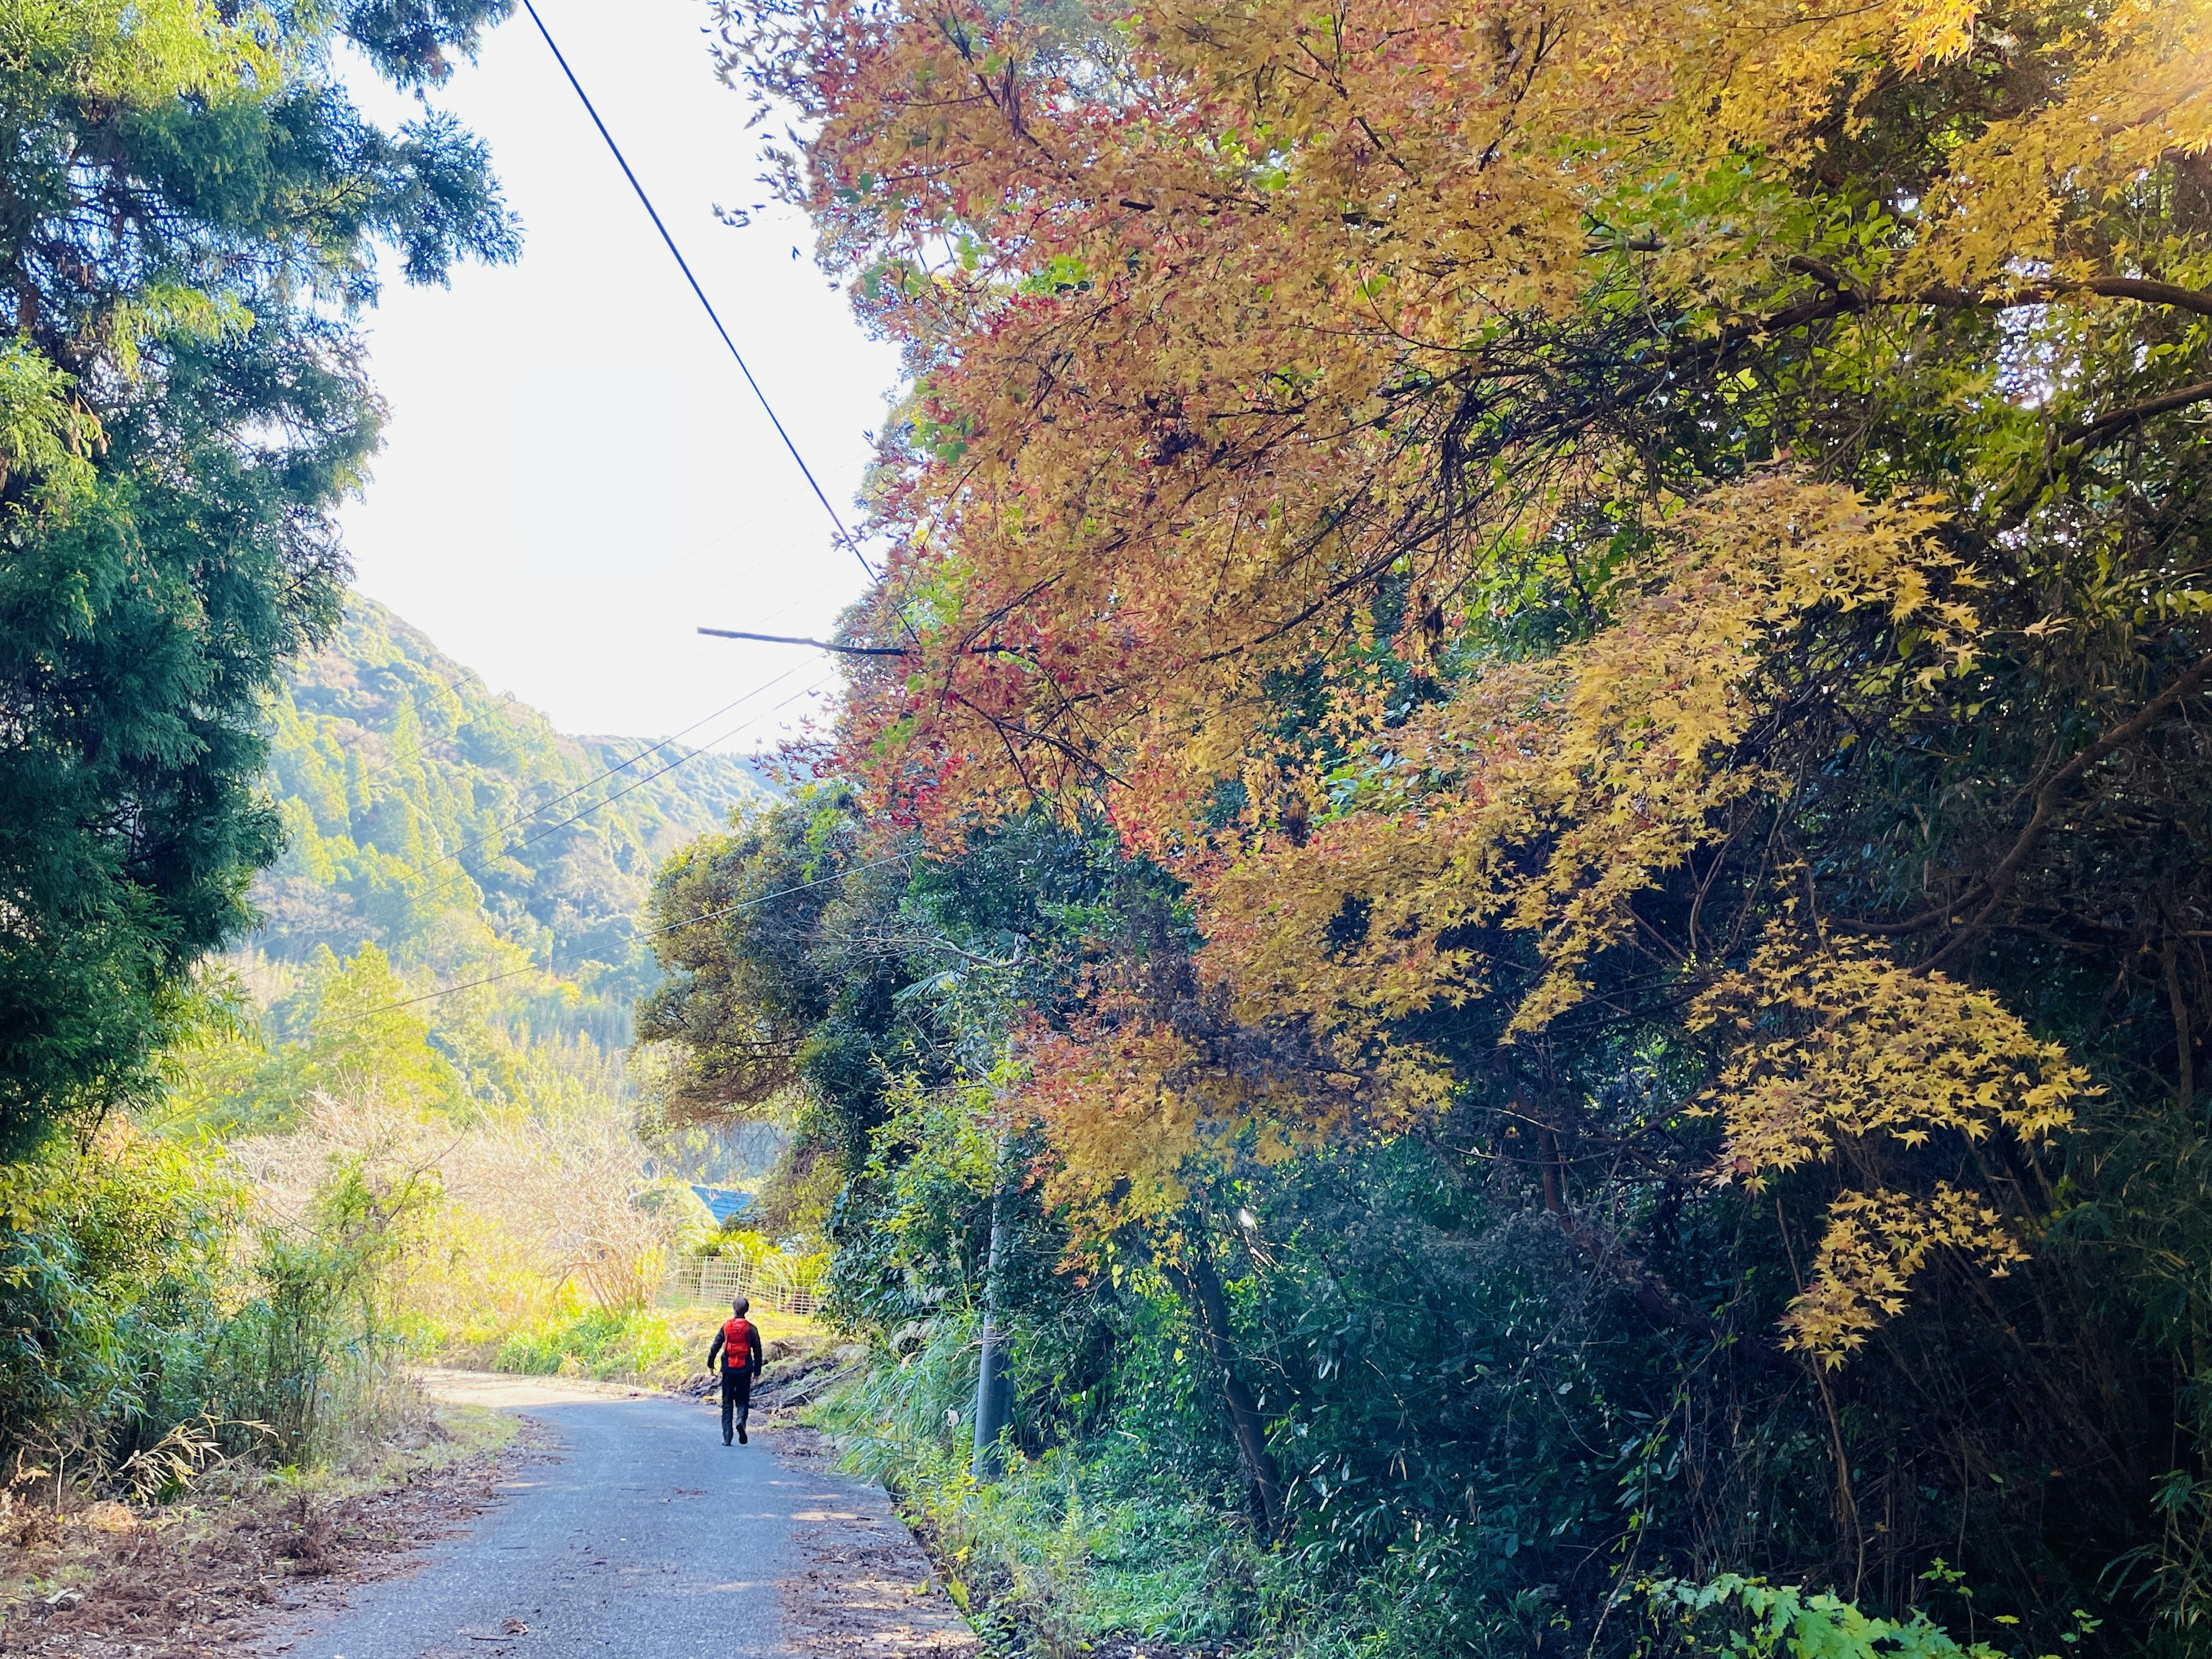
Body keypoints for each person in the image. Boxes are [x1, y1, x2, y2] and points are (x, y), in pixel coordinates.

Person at [707, 1296, 764, 1445]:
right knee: (743, 1399)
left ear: (734, 1309)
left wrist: (710, 1363)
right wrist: (757, 1371)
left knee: (727, 1403)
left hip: (728, 1369)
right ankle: (740, 1421)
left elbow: (716, 1345)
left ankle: (727, 1438)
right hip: (745, 1369)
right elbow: (758, 1351)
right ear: (747, 1310)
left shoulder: (727, 1327)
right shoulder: (751, 1329)